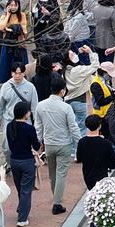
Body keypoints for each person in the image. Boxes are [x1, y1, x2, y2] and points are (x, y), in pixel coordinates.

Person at [35, 79, 83, 215]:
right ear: (62, 90)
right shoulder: (66, 108)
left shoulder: (41, 106)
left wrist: (38, 142)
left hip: (49, 143)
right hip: (64, 144)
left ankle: (56, 195)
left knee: (52, 173)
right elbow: (73, 127)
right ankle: (57, 202)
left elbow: (38, 127)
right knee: (61, 173)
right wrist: (80, 141)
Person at [4, 101, 40, 226]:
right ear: (26, 113)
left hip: (14, 160)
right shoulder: (29, 128)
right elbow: (36, 145)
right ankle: (22, 218)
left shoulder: (10, 126)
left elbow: (9, 144)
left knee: (19, 187)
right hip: (27, 161)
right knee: (26, 189)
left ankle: (21, 208)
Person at [0, 61, 37, 130]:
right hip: (9, 121)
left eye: (20, 73)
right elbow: (0, 104)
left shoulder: (30, 87)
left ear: (24, 73)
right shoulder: (6, 86)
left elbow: (34, 105)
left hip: (25, 121)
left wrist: (36, 120)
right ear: (12, 73)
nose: (17, 76)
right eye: (15, 73)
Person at [0, 0, 28, 84]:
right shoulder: (4, 16)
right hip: (8, 44)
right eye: (11, 5)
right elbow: (1, 27)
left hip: (18, 44)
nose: (13, 7)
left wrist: (10, 29)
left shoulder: (22, 15)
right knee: (6, 66)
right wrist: (8, 15)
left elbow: (23, 30)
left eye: (15, 5)